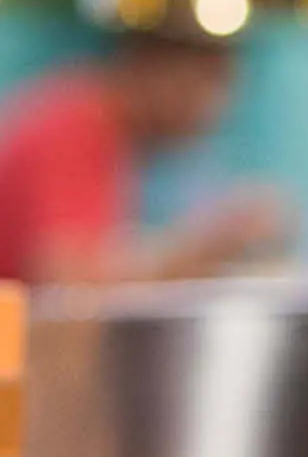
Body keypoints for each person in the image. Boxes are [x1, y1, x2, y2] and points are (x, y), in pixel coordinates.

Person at [0, 29, 281, 283]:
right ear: (153, 65)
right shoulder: (78, 124)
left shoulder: (101, 123)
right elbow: (65, 278)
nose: (217, 107)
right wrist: (208, 246)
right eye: (209, 80)